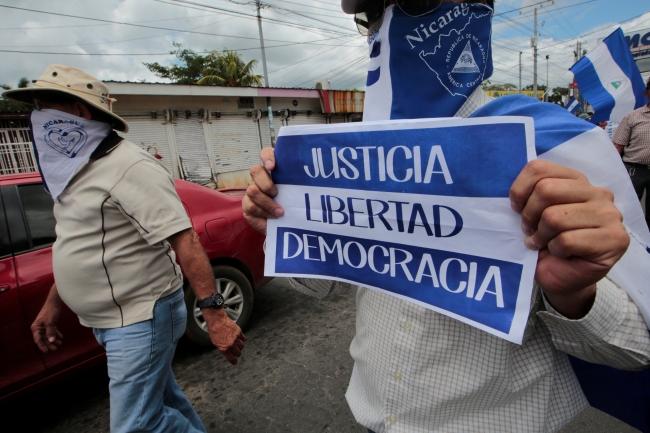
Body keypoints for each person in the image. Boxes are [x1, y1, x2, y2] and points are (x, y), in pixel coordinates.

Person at [243, 1, 650, 432]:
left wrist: (574, 295)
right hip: (371, 417)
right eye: (371, 16)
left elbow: (635, 348)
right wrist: (282, 225)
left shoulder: (555, 147)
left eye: (417, 3)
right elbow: (320, 282)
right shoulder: (346, 153)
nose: (386, 26)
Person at [2, 65, 246, 433]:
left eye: (46, 104)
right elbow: (77, 242)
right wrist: (53, 303)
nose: (36, 114)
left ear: (80, 111)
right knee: (162, 401)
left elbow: (185, 238)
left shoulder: (129, 165)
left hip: (139, 317)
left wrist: (215, 317)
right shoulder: (70, 170)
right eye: (35, 105)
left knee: (135, 426)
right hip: (109, 320)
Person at [612, 77, 650, 229]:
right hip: (634, 171)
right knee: (628, 211)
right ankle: (629, 242)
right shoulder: (632, 117)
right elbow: (617, 147)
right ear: (647, 93)